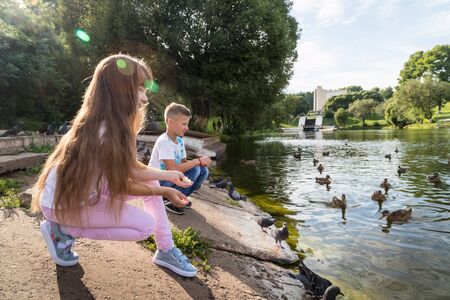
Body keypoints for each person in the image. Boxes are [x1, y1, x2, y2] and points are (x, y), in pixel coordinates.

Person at [31, 54, 198, 277]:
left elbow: (133, 169)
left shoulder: (106, 123)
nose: (145, 98)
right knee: (144, 226)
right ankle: (61, 229)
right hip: (63, 206)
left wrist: (169, 176)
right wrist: (165, 190)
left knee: (152, 180)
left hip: (79, 195)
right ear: (119, 89)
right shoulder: (106, 132)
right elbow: (122, 185)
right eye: (139, 89)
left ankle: (166, 249)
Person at [149, 102, 211, 215]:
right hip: (157, 182)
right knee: (196, 168)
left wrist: (200, 163)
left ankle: (181, 197)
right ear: (170, 122)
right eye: (184, 124)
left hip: (170, 178)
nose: (187, 128)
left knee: (202, 171)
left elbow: (184, 163)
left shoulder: (180, 141)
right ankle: (169, 200)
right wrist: (198, 161)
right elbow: (173, 168)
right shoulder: (164, 141)